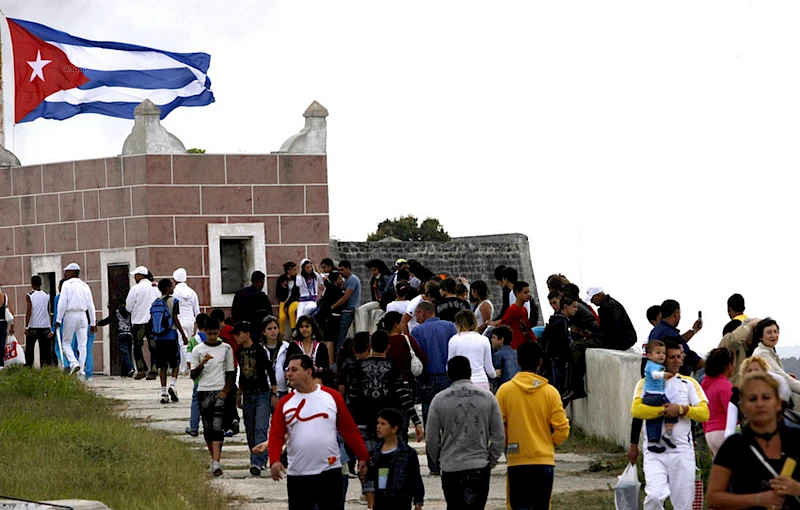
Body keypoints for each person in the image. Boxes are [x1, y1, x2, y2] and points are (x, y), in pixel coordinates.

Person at [254, 354, 370, 510]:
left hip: (329, 472)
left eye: (294, 370)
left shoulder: (331, 397)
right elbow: (276, 435)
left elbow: (349, 430)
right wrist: (275, 460)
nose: (288, 374)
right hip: (298, 475)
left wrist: (362, 456)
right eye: (288, 370)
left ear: (308, 372)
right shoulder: (285, 403)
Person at [348, 331, 424, 507]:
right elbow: (403, 397)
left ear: (370, 346)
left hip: (364, 422)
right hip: (388, 424)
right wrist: (417, 422)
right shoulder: (393, 368)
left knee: (365, 463)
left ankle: (371, 501)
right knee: (389, 464)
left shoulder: (358, 367)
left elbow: (352, 397)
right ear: (388, 347)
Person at [631, 340, 709, 510]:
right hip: (654, 452)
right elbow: (637, 411)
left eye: (679, 357)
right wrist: (665, 411)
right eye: (672, 357)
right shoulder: (645, 383)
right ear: (663, 358)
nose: (677, 361)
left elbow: (704, 413)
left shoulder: (689, 383)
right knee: (655, 496)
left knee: (683, 504)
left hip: (681, 452)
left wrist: (681, 409)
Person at [707, 371, 800, 510]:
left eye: (766, 397)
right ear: (742, 406)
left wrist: (797, 488)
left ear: (779, 403)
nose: (760, 404)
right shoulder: (734, 446)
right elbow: (713, 498)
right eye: (752, 399)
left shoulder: (796, 439)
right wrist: (757, 500)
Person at [496, 341, 570, 510]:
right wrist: (550, 443)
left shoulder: (505, 391)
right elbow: (562, 429)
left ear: (518, 362)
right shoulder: (550, 392)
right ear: (540, 362)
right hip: (543, 460)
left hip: (517, 461)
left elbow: (497, 427)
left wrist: (508, 443)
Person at [425, 355, 504, 510]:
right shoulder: (488, 398)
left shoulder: (439, 400)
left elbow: (431, 439)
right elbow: (499, 436)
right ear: (470, 372)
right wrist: (490, 461)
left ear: (448, 374)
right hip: (479, 465)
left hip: (450, 466)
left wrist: (440, 461)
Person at [410, 300, 456, 475]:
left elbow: (418, 359)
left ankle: (434, 465)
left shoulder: (418, 331)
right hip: (448, 378)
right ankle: (451, 462)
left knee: (431, 425)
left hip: (428, 379)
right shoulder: (450, 327)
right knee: (451, 423)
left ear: (422, 312)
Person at [190, 316, 235, 476]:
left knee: (217, 427)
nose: (213, 337)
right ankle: (214, 459)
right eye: (210, 334)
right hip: (203, 390)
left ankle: (217, 461)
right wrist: (202, 363)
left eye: (215, 333)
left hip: (219, 390)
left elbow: (230, 372)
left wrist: (225, 392)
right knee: (207, 428)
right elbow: (193, 374)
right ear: (205, 332)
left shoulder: (226, 349)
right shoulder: (198, 350)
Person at [233, 321, 278, 477]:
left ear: (247, 334)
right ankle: (259, 455)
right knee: (250, 428)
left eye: (238, 334)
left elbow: (269, 371)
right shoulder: (239, 352)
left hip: (262, 393)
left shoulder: (259, 350)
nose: (236, 338)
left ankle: (256, 462)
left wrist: (274, 392)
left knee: (260, 426)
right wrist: (239, 394)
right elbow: (241, 374)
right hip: (247, 393)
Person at [364, 408, 424, 510]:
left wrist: (418, 501)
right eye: (378, 423)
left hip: (400, 500)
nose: (378, 427)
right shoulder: (375, 452)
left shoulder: (407, 453)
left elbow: (415, 478)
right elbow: (369, 477)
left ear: (394, 428)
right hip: (380, 500)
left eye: (383, 424)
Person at [55, 263, 97, 378]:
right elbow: (91, 305)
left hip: (70, 315)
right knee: (82, 345)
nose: (65, 274)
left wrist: (58, 319)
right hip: (83, 316)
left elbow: (62, 302)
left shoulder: (67, 284)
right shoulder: (85, 285)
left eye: (67, 272)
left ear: (73, 272)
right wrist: (93, 322)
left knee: (66, 343)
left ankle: (73, 362)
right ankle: (81, 371)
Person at [152, 279, 189, 404]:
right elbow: (175, 318)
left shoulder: (155, 302)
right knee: (175, 363)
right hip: (171, 336)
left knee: (162, 366)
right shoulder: (174, 301)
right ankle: (172, 385)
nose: (173, 288)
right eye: (172, 286)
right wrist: (183, 335)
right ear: (168, 288)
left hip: (158, 338)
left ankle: (163, 393)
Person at [641, 340, 678, 453]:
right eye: (658, 353)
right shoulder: (653, 366)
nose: (662, 355)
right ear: (649, 355)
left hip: (650, 395)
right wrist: (663, 375)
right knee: (672, 410)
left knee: (654, 419)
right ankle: (668, 433)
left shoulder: (653, 365)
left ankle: (653, 441)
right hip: (655, 395)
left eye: (663, 353)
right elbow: (654, 375)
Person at [648, 299, 704, 375]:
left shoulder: (659, 330)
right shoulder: (667, 333)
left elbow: (679, 341)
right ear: (676, 314)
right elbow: (687, 354)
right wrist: (702, 363)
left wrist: (694, 330)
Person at [751, 318, 800, 401]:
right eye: (769, 332)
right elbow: (782, 378)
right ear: (761, 336)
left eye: (775, 331)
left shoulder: (768, 351)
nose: (773, 335)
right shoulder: (762, 354)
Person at [448, 310, 496, 391]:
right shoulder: (484, 340)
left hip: (461, 383)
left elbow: (449, 366)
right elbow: (489, 369)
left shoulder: (454, 340)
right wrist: (495, 375)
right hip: (481, 381)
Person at [126, 265, 160, 380]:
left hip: (139, 321)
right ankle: (154, 370)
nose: (135, 277)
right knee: (153, 346)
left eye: (136, 275)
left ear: (140, 276)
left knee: (137, 346)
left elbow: (128, 307)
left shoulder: (135, 289)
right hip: (153, 321)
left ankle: (141, 369)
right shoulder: (155, 287)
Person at [700, 347, 735, 457]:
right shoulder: (725, 385)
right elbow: (732, 413)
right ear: (727, 366)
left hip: (710, 434)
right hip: (724, 431)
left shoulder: (705, 385)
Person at [539, 295, 577, 393]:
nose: (576, 309)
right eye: (574, 307)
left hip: (555, 358)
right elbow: (558, 342)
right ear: (565, 306)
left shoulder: (556, 320)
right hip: (559, 359)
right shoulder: (560, 322)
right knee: (559, 388)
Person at [381, 312, 427, 388]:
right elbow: (422, 357)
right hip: (406, 379)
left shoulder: (383, 341)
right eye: (401, 323)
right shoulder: (406, 340)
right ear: (396, 325)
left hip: (388, 381)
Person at [584, 287, 637, 351]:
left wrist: (593, 335)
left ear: (599, 295)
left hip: (620, 340)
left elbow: (612, 330)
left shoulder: (610, 306)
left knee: (578, 345)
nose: (592, 302)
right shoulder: (609, 305)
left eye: (592, 299)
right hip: (619, 338)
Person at [488, 281, 533, 350]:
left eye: (528, 292)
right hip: (515, 346)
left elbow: (527, 328)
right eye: (525, 293)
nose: (528, 295)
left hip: (524, 345)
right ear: (517, 293)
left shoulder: (524, 310)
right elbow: (502, 325)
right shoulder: (512, 310)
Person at [172, 268, 200, 375]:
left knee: (181, 344)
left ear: (175, 280)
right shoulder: (192, 292)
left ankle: (183, 368)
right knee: (188, 344)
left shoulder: (174, 293)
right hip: (190, 321)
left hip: (179, 321)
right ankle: (188, 365)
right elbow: (196, 310)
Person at [185, 313, 208, 437]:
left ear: (197, 325)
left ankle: (194, 427)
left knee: (196, 403)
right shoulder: (216, 339)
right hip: (213, 379)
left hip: (198, 379)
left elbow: (189, 361)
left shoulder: (193, 341)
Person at [333, 260, 360, 356]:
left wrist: (333, 306)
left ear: (348, 269)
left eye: (342, 270)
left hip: (349, 310)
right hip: (345, 310)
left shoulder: (352, 280)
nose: (341, 272)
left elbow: (346, 297)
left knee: (342, 337)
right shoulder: (346, 281)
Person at [97, 305, 134, 377]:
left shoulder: (116, 311)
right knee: (127, 353)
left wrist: (98, 323)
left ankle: (130, 368)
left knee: (125, 352)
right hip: (129, 334)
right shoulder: (130, 311)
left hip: (121, 334)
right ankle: (124, 372)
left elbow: (109, 319)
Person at [24, 275, 52, 367]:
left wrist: (26, 326)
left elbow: (29, 311)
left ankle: (29, 368)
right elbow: (47, 310)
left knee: (29, 350)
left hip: (33, 326)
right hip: (45, 326)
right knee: (45, 351)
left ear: (32, 284)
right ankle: (45, 369)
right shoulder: (46, 295)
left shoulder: (30, 295)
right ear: (41, 284)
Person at [261, 315, 290, 400]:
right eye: (269, 329)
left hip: (282, 388)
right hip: (265, 390)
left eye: (275, 328)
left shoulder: (286, 347)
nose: (273, 331)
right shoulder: (260, 348)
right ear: (264, 332)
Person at [491, 325, 518, 391]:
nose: (491, 340)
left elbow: (496, 376)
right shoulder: (516, 353)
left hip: (503, 388)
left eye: (494, 338)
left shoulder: (498, 355)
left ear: (501, 340)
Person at [277, 262, 299, 335]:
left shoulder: (297, 279)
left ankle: (294, 330)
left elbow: (296, 294)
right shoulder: (282, 279)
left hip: (294, 300)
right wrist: (284, 286)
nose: (295, 272)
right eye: (294, 270)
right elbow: (278, 293)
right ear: (288, 271)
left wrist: (287, 304)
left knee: (291, 311)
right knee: (282, 317)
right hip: (284, 300)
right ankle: (281, 334)